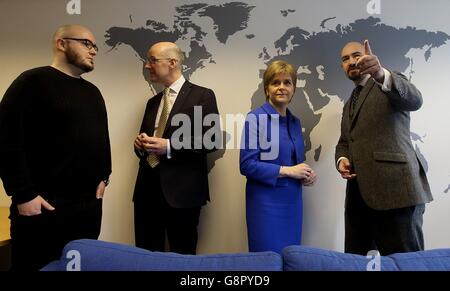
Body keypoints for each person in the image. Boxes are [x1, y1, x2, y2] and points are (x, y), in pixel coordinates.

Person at [0, 25, 111, 270]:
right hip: (43, 209)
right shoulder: (31, 82)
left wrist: (105, 176)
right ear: (61, 44)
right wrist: (23, 195)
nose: (93, 51)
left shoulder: (93, 92)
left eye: (95, 46)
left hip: (87, 210)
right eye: (86, 44)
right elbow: (6, 139)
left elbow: (102, 140)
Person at [335, 40, 433, 255]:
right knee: (356, 263)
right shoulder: (348, 103)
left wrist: (381, 74)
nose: (351, 61)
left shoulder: (387, 82)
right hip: (358, 199)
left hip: (396, 193)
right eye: (345, 59)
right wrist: (342, 160)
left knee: (406, 263)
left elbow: (415, 100)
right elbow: (345, 142)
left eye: (356, 55)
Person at [133, 42, 220, 255]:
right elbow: (146, 147)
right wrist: (140, 146)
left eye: (152, 60)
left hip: (182, 195)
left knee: (183, 257)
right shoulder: (152, 102)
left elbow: (212, 140)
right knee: (145, 258)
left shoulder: (202, 96)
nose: (147, 66)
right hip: (146, 193)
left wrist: (170, 146)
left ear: (172, 63)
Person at [240, 60, 317, 254]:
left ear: (294, 89)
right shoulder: (255, 118)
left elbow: (293, 162)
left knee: (291, 257)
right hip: (265, 203)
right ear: (267, 89)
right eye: (276, 82)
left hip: (293, 201)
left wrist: (305, 174)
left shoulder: (295, 122)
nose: (282, 87)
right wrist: (289, 171)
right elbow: (246, 165)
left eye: (287, 82)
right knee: (267, 259)